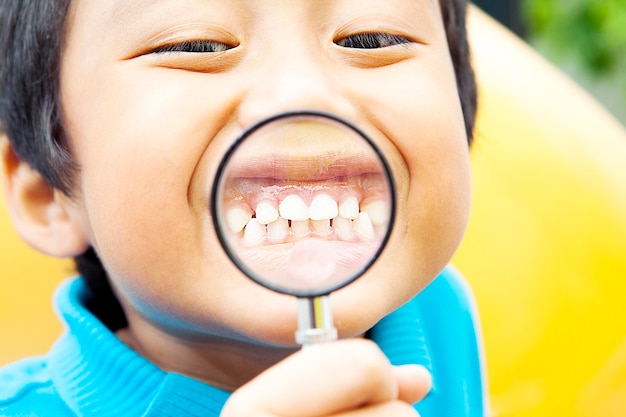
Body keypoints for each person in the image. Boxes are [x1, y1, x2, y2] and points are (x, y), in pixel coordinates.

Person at [0, 0, 484, 415]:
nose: (303, 92)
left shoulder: (438, 312)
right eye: (195, 45)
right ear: (46, 191)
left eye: (370, 37)